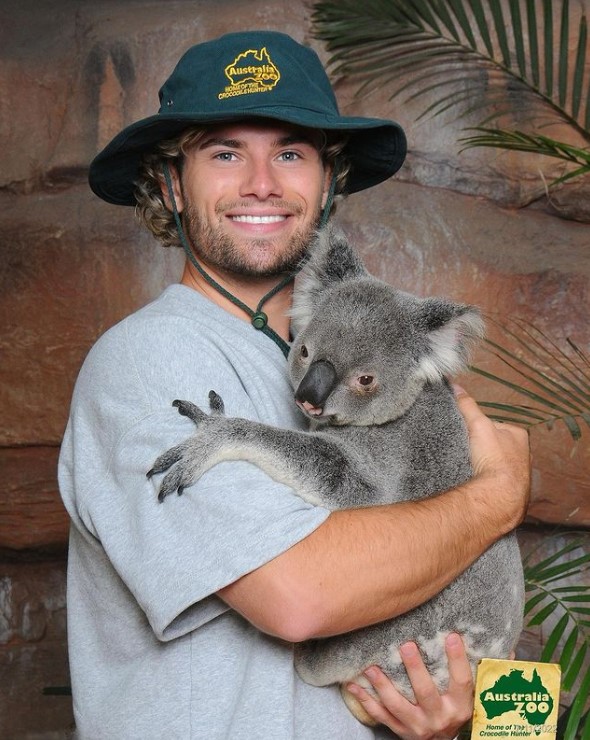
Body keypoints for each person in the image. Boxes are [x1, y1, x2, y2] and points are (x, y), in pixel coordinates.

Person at [58, 30, 530, 740]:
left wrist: (467, 724)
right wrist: (497, 498)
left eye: (289, 153)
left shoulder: (394, 358)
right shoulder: (146, 360)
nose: (261, 183)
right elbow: (300, 598)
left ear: (330, 180)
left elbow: (489, 610)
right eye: (224, 152)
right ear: (167, 183)